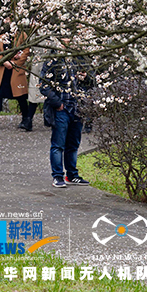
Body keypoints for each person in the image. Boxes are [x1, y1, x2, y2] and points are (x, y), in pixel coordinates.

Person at [41, 42, 89, 188]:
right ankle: (57, 176)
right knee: (58, 144)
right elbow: (43, 85)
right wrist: (57, 103)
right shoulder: (52, 60)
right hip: (61, 108)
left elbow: (90, 81)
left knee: (73, 144)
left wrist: (85, 77)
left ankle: (72, 174)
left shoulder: (78, 58)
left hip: (77, 108)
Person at [0, 22, 29, 130]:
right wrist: (4, 61)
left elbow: (26, 50)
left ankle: (26, 120)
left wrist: (16, 63)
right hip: (3, 70)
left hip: (16, 70)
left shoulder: (21, 35)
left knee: (21, 96)